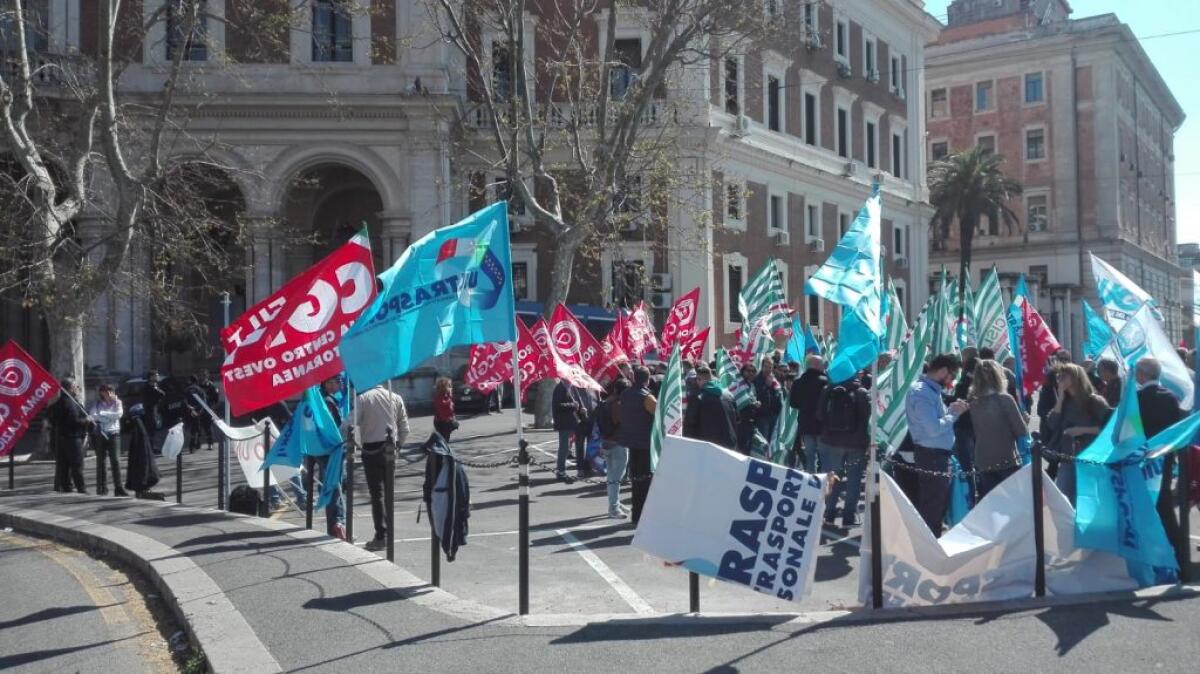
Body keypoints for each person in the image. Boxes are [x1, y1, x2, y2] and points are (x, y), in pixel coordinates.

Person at [905, 353, 969, 537]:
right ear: (942, 371)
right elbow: (933, 428)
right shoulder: (922, 392)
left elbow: (936, 422)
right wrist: (954, 414)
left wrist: (950, 411)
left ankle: (932, 540)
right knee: (932, 504)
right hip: (931, 456)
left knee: (937, 503)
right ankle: (930, 545)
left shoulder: (930, 390)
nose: (951, 381)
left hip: (936, 455)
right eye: (952, 376)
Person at [1134, 357, 1185, 569]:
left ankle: (1149, 555)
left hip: (1141, 460)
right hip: (1164, 459)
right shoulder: (1171, 397)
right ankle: (1179, 552)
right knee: (1163, 505)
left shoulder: (1136, 398)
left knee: (1144, 505)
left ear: (1142, 374)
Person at [1043, 363, 1110, 506]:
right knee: (1065, 501)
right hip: (1067, 459)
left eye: (1063, 376)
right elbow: (1052, 424)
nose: (1059, 380)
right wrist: (1060, 399)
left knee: (1088, 500)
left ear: (1075, 378)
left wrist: (1082, 430)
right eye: (1058, 377)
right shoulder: (1063, 402)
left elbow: (1108, 429)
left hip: (1090, 459)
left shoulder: (1094, 401)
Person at [355, 383, 410, 551]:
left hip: (371, 448)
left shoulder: (363, 398)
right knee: (388, 491)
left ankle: (381, 534)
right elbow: (405, 428)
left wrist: (352, 443)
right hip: (390, 447)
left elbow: (348, 424)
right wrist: (399, 445)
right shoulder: (395, 397)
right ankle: (388, 532)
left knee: (376, 494)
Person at [816, 371, 871, 527]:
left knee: (833, 479)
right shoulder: (862, 392)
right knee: (854, 481)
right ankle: (848, 518)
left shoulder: (828, 389)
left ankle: (829, 514)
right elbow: (867, 419)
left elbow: (819, 415)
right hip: (856, 444)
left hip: (833, 442)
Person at [968, 360, 1029, 500]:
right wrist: (1024, 420)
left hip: (983, 458)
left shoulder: (973, 401)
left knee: (991, 502)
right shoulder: (1005, 399)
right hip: (1006, 457)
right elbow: (1021, 431)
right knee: (1011, 501)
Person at [619, 366, 657, 525]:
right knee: (645, 482)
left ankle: (636, 515)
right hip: (645, 444)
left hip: (631, 442)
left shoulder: (625, 394)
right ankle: (642, 516)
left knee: (635, 482)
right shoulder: (647, 397)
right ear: (647, 380)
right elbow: (659, 415)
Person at [310, 374, 347, 539]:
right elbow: (337, 427)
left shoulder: (322, 400)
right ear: (324, 384)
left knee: (331, 486)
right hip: (332, 450)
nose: (334, 386)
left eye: (336, 382)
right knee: (335, 487)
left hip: (322, 450)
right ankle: (337, 525)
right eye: (330, 382)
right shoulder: (328, 402)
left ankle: (334, 525)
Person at [50, 377, 92, 494]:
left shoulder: (58, 403)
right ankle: (81, 489)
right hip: (72, 438)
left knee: (64, 465)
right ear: (71, 388)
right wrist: (86, 420)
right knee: (76, 465)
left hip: (61, 438)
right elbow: (74, 421)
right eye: (76, 386)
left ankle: (67, 487)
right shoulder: (70, 403)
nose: (78, 389)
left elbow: (52, 418)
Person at [596, 378, 630, 519]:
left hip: (605, 441)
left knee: (611, 475)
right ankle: (614, 508)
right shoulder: (619, 405)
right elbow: (621, 422)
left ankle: (615, 502)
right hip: (618, 442)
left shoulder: (607, 401)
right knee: (617, 476)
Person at [683, 366, 738, 450]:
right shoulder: (729, 395)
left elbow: (689, 424)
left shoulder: (697, 397)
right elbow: (737, 419)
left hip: (708, 446)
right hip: (729, 445)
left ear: (698, 379)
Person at [790, 355, 827, 471]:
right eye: (822, 364)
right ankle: (824, 482)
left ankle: (811, 482)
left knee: (810, 456)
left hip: (805, 424)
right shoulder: (826, 382)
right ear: (816, 365)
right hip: (822, 425)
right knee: (824, 457)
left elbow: (793, 403)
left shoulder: (797, 382)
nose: (824, 367)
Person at [88, 384, 127, 496]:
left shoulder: (117, 402)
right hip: (101, 434)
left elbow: (119, 414)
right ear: (101, 393)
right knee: (101, 461)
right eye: (105, 391)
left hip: (114, 434)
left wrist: (103, 414)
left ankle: (118, 487)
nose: (108, 394)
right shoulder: (97, 404)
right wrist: (108, 416)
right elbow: (93, 416)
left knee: (115, 461)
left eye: (110, 391)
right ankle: (101, 488)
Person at [952, 347, 979, 503]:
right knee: (975, 461)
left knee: (965, 463)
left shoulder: (968, 375)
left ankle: (970, 493)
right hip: (975, 424)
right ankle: (976, 491)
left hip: (965, 424)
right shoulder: (980, 374)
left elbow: (962, 397)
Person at [552, 379, 587, 482]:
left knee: (576, 444)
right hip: (564, 422)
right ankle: (560, 471)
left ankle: (580, 468)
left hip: (573, 421)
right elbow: (558, 405)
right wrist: (573, 405)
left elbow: (577, 402)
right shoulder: (560, 388)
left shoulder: (571, 387)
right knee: (564, 447)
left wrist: (580, 408)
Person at [753, 357, 784, 441]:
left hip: (773, 414)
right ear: (762, 366)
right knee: (764, 440)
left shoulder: (775, 380)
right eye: (766, 367)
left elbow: (778, 396)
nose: (768, 369)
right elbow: (757, 395)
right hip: (762, 416)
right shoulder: (756, 379)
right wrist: (766, 386)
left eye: (770, 367)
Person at [733, 363, 761, 454]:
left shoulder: (752, 386)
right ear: (743, 371)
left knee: (748, 449)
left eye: (753, 371)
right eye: (748, 371)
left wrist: (757, 404)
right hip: (741, 422)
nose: (751, 373)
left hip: (751, 422)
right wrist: (752, 405)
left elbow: (753, 399)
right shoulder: (739, 385)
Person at [197, 369, 220, 448]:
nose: (202, 377)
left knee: (208, 427)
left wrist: (212, 407)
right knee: (198, 427)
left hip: (208, 409)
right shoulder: (198, 386)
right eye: (201, 375)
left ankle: (210, 443)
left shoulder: (211, 386)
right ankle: (197, 444)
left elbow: (216, 398)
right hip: (199, 409)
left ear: (207, 376)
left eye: (204, 375)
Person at [184, 375, 207, 453]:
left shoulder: (187, 390)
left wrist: (190, 409)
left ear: (190, 381)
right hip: (198, 411)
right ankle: (196, 444)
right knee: (197, 428)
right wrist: (200, 411)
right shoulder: (200, 390)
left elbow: (184, 401)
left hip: (189, 411)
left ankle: (192, 445)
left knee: (192, 429)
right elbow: (204, 401)